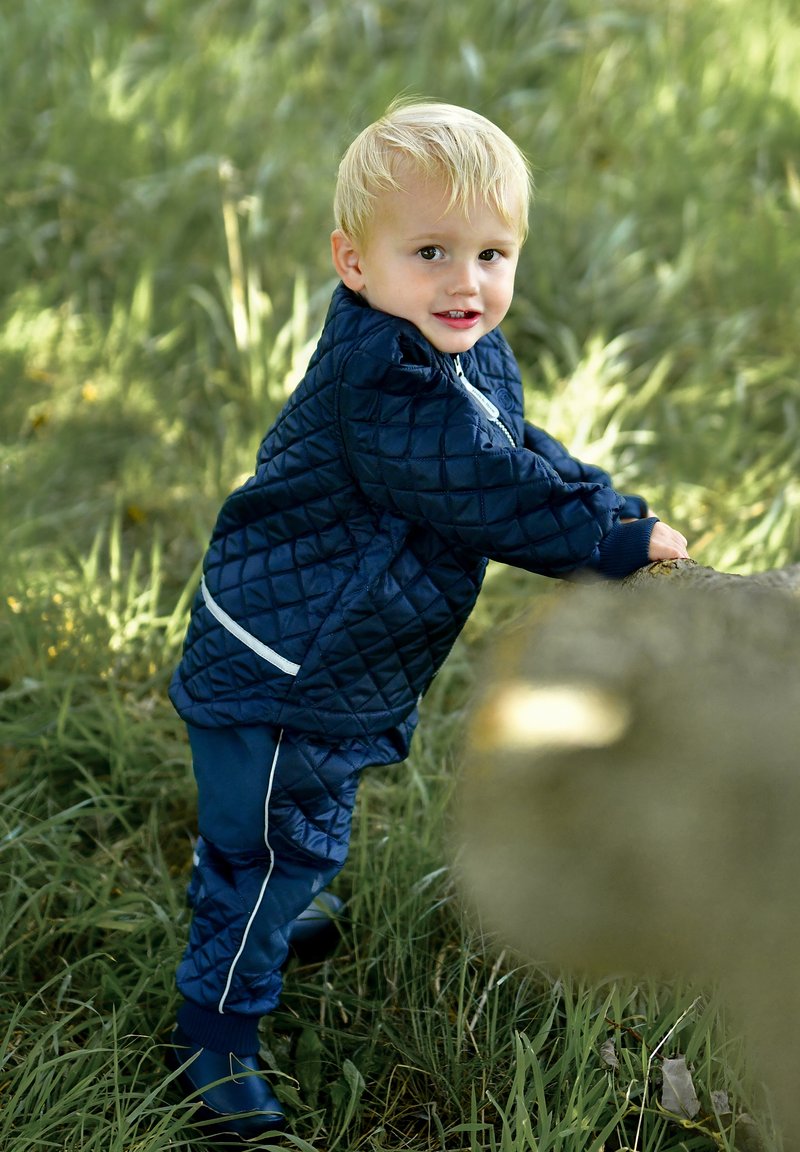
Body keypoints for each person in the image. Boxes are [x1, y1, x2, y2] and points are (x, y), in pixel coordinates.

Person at [166, 99, 689, 1141]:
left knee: (298, 815)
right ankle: (211, 1033)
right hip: (282, 666)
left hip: (335, 658)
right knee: (270, 845)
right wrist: (602, 544)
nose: (466, 282)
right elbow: (482, 489)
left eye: (491, 254)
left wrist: (607, 504)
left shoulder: (462, 349)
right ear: (354, 263)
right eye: (432, 252)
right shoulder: (383, 382)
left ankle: (267, 899)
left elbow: (515, 446)